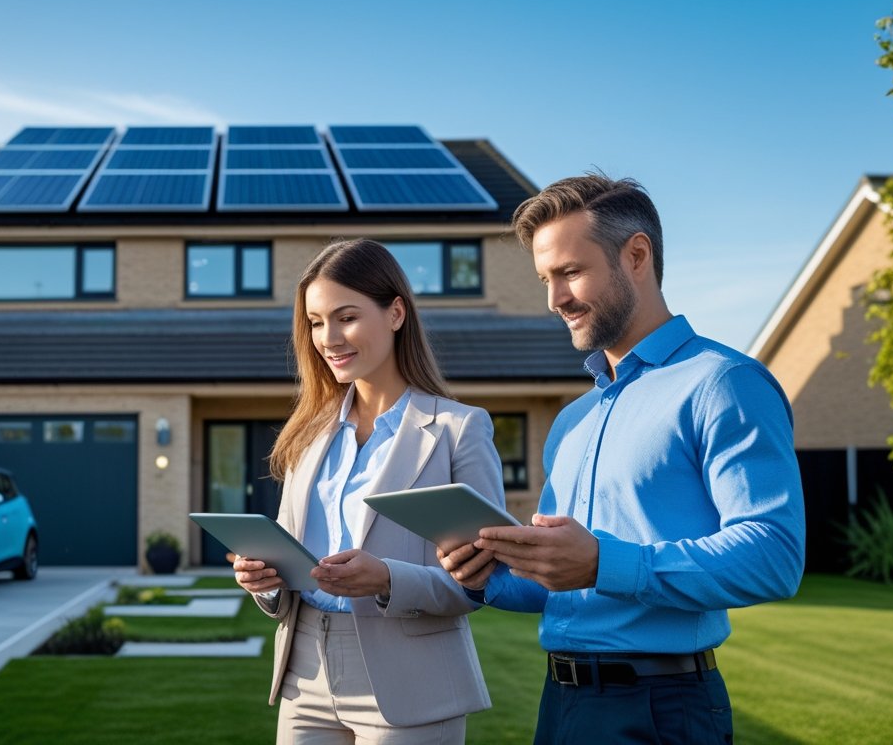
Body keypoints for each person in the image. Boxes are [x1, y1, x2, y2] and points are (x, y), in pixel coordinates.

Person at [439, 173, 806, 744]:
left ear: (636, 255)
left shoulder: (724, 383)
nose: (555, 299)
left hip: (661, 709)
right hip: (561, 703)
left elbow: (774, 555)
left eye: (570, 273)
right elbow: (562, 582)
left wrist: (601, 563)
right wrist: (485, 577)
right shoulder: (572, 421)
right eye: (545, 279)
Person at [233, 239, 503, 744]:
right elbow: (292, 568)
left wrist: (385, 579)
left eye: (346, 317)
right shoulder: (308, 435)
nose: (328, 337)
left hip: (411, 679)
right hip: (304, 674)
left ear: (396, 312)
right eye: (315, 322)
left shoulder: (456, 430)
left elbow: (479, 583)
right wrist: (265, 581)